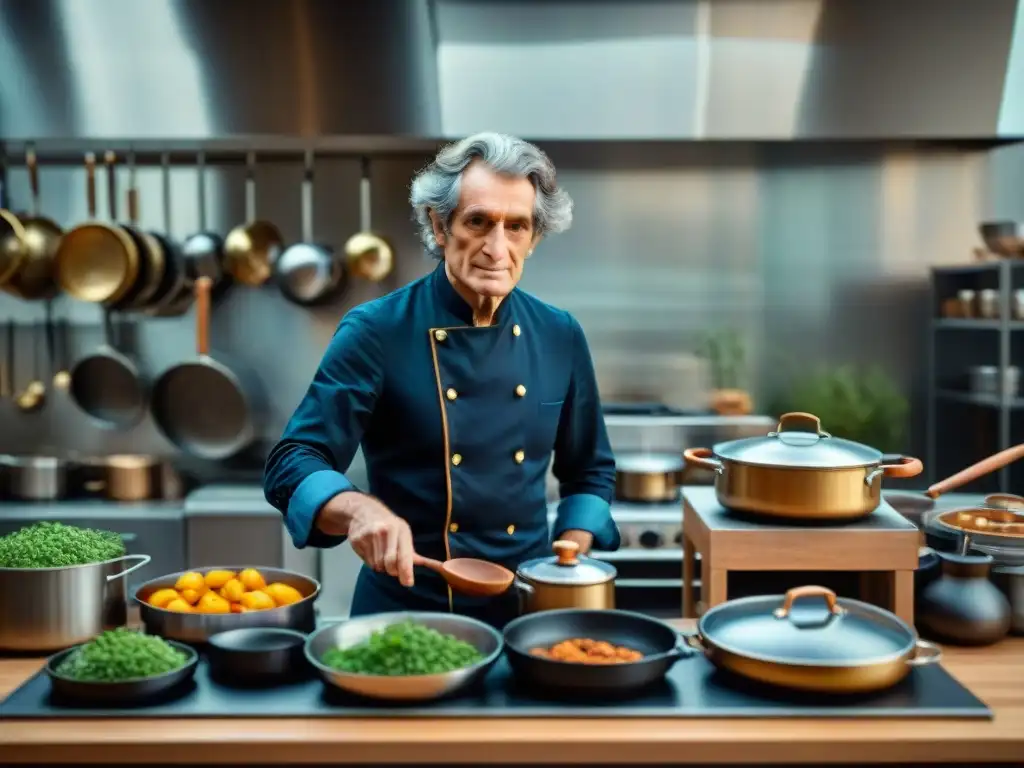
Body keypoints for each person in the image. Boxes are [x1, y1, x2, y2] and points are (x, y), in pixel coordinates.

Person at [263, 132, 619, 629]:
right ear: (440, 224)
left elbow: (590, 470)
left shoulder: (559, 333)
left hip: (526, 614)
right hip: (404, 611)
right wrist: (359, 510)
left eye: (516, 226)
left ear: (533, 239)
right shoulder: (377, 330)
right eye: (478, 222)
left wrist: (568, 555)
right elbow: (293, 459)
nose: (497, 248)